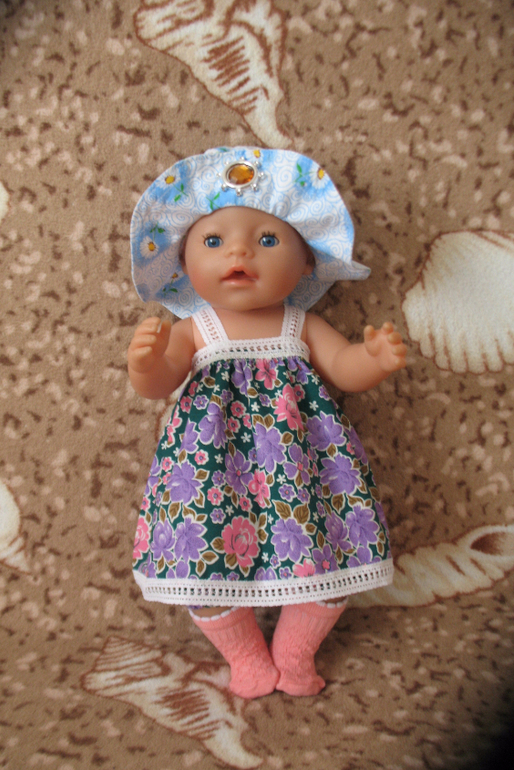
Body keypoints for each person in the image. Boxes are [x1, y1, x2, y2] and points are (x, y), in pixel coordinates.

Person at [128, 147, 407, 699]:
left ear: (307, 263)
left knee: (328, 560)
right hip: (209, 474)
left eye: (268, 240)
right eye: (213, 241)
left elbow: (342, 368)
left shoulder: (300, 323)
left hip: (304, 472)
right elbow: (159, 383)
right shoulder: (196, 328)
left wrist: (372, 359)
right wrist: (146, 363)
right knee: (203, 566)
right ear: (183, 263)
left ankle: (295, 652)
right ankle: (245, 656)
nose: (239, 251)